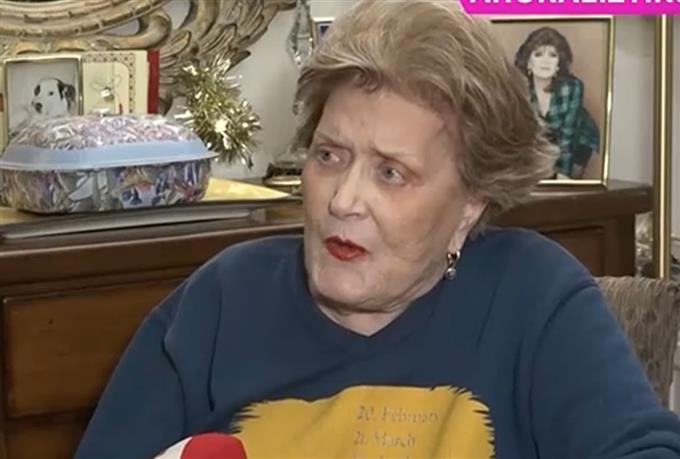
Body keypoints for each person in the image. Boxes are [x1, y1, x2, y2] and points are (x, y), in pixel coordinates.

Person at [75, 1, 680, 458]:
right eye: (329, 156)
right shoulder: (221, 301)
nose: (343, 200)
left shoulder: (534, 295)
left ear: (470, 205)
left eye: (392, 173)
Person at [514, 26, 601, 179]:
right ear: (528, 62)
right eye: (538, 55)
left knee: (569, 183)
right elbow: (523, 138)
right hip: (541, 141)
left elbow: (567, 137)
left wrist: (562, 176)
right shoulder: (519, 89)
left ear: (559, 63)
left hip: (577, 138)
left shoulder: (573, 88)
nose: (545, 61)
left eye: (553, 55)